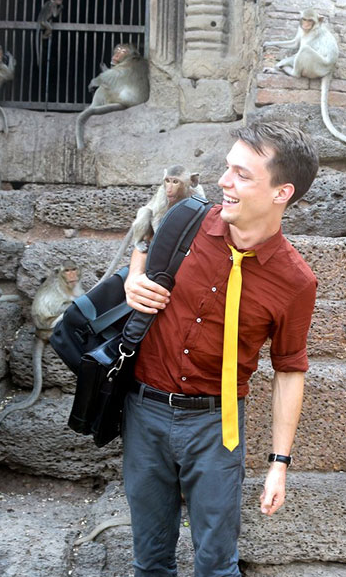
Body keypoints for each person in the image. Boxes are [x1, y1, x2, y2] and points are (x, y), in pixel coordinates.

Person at [123, 121, 319, 576]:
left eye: (243, 175)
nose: (224, 182)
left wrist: (279, 464)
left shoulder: (295, 281)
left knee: (216, 564)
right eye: (227, 168)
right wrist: (133, 278)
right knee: (149, 560)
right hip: (144, 411)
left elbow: (290, 369)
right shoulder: (184, 221)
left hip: (217, 426)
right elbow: (145, 238)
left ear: (281, 192)